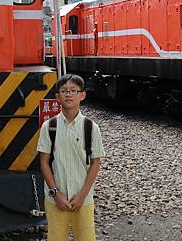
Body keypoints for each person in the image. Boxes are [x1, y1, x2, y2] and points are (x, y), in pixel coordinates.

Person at [37, 74, 105, 241]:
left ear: (82, 95)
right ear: (57, 97)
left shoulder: (90, 127)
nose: (69, 94)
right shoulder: (49, 126)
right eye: (64, 91)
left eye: (74, 91)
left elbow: (96, 163)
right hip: (55, 201)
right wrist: (56, 193)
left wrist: (82, 195)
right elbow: (44, 162)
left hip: (83, 199)